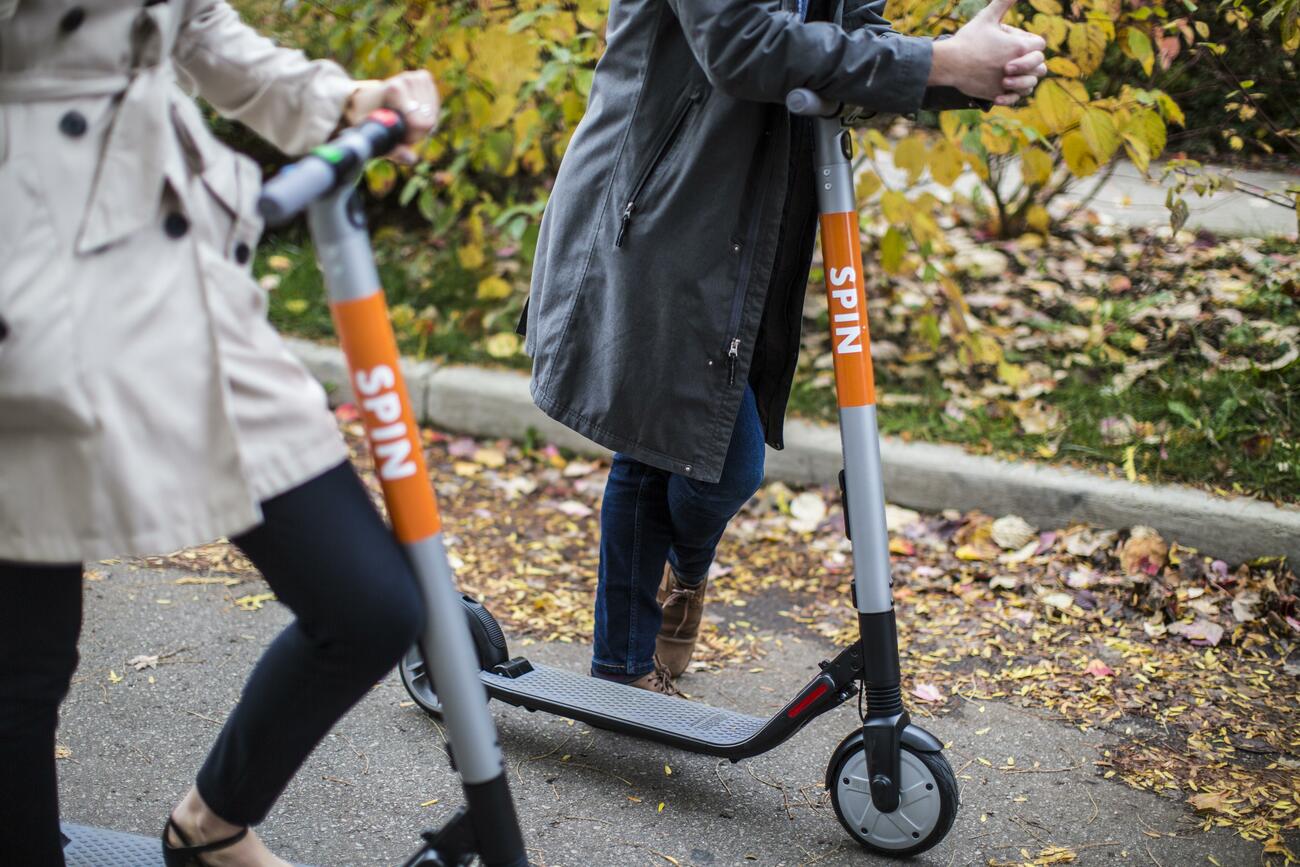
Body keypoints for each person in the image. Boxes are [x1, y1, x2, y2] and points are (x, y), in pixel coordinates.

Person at [0, 2, 440, 865]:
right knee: (22, 665)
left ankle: (210, 825)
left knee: (370, 604)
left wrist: (342, 98)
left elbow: (191, 25)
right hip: (22, 263)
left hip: (172, 253)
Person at [520, 0, 1047, 694]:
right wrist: (940, 61)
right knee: (690, 447)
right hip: (657, 209)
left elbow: (857, 33)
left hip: (758, 215)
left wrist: (975, 69)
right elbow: (739, 44)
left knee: (681, 442)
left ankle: (628, 653)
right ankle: (626, 663)